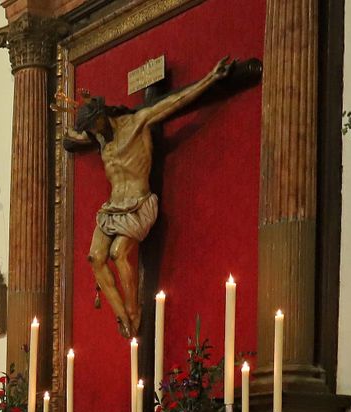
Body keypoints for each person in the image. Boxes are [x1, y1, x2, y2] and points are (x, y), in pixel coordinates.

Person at [62, 57, 237, 337]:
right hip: (112, 208)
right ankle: (121, 316)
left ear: (102, 116)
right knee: (95, 258)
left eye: (94, 126)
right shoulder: (100, 139)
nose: (94, 133)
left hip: (138, 204)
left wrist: (210, 78)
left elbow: (175, 102)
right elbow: (69, 139)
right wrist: (71, 109)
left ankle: (134, 311)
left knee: (119, 253)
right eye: (90, 130)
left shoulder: (137, 122)